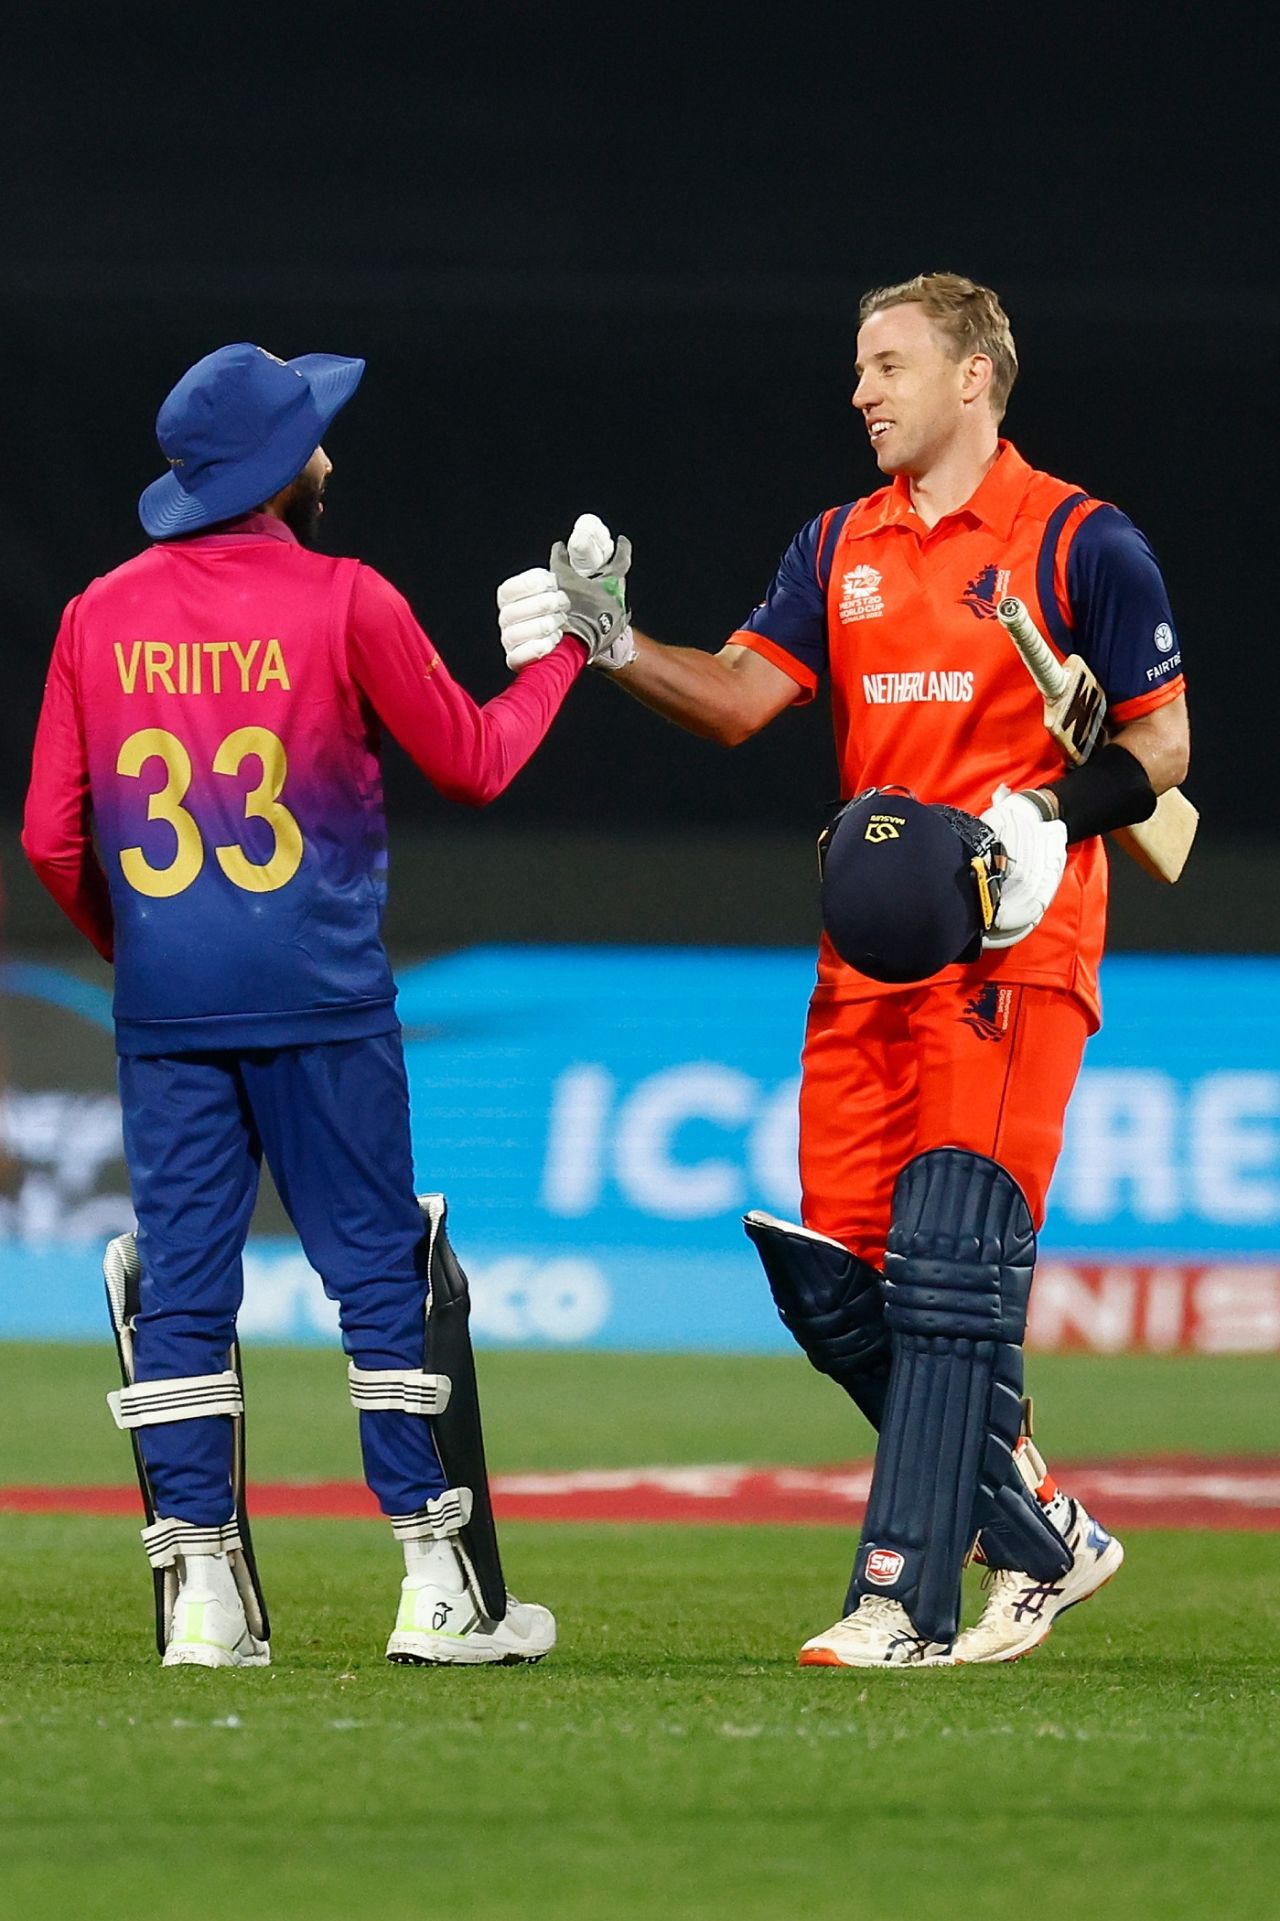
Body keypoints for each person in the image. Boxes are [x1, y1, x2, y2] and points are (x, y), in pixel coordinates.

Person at [521, 273, 1189, 1667]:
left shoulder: (1085, 541)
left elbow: (1163, 754)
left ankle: (903, 1598)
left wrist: (1050, 813)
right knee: (842, 1286)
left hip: (1017, 946)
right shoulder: (839, 544)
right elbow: (741, 700)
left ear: (972, 379)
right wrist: (612, 640)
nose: (861, 390)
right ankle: (1049, 1535)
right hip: (865, 956)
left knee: (952, 1263)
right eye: (859, 366)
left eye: (886, 364)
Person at [21, 341, 625, 1669]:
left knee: (181, 1289)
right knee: (375, 1275)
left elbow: (50, 837)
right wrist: (568, 655)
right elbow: (473, 761)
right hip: (323, 996)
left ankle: (203, 1605)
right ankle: (437, 1585)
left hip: (169, 1009)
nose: (329, 451)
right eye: (315, 434)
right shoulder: (346, 598)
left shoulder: (93, 613)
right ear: (284, 469)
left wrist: (147, 949)